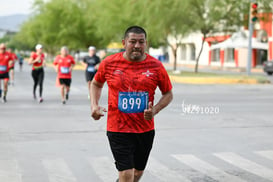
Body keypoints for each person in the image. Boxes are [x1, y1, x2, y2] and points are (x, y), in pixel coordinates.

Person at [90, 26, 173, 182]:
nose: (137, 45)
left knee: (137, 174)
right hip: (118, 128)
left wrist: (155, 110)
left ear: (145, 44)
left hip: (145, 129)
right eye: (132, 41)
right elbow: (96, 84)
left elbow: (168, 94)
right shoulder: (109, 63)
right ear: (124, 43)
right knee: (127, 174)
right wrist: (94, 106)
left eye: (141, 42)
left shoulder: (156, 66)